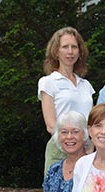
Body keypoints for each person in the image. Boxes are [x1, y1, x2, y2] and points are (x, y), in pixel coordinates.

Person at [38, 27, 95, 175]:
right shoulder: (48, 82)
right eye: (65, 47)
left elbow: (93, 121)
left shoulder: (86, 85)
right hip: (60, 150)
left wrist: (90, 146)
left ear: (79, 51)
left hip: (86, 152)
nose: (70, 51)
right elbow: (51, 125)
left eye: (74, 47)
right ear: (56, 51)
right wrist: (73, 146)